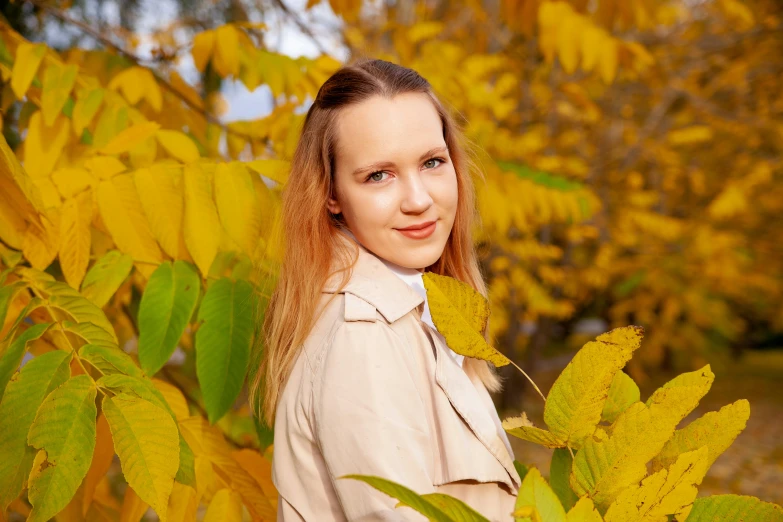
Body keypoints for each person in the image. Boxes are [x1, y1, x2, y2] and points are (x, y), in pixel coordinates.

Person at [249, 58, 520, 521]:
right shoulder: (365, 336)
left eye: (432, 162)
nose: (418, 200)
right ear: (330, 194)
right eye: (379, 175)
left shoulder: (423, 315)